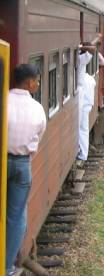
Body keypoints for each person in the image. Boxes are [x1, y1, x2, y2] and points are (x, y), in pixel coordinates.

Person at [6, 64, 47, 274]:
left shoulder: (4, 100)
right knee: (17, 217)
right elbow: (37, 139)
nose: (38, 84)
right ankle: (6, 268)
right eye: (37, 81)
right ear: (30, 82)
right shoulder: (37, 108)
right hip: (22, 164)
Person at [77, 34, 101, 163]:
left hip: (83, 100)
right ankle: (82, 153)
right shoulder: (81, 59)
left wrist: (84, 45)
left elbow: (91, 49)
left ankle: (82, 154)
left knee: (82, 128)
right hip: (83, 99)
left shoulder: (82, 59)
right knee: (82, 128)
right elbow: (90, 48)